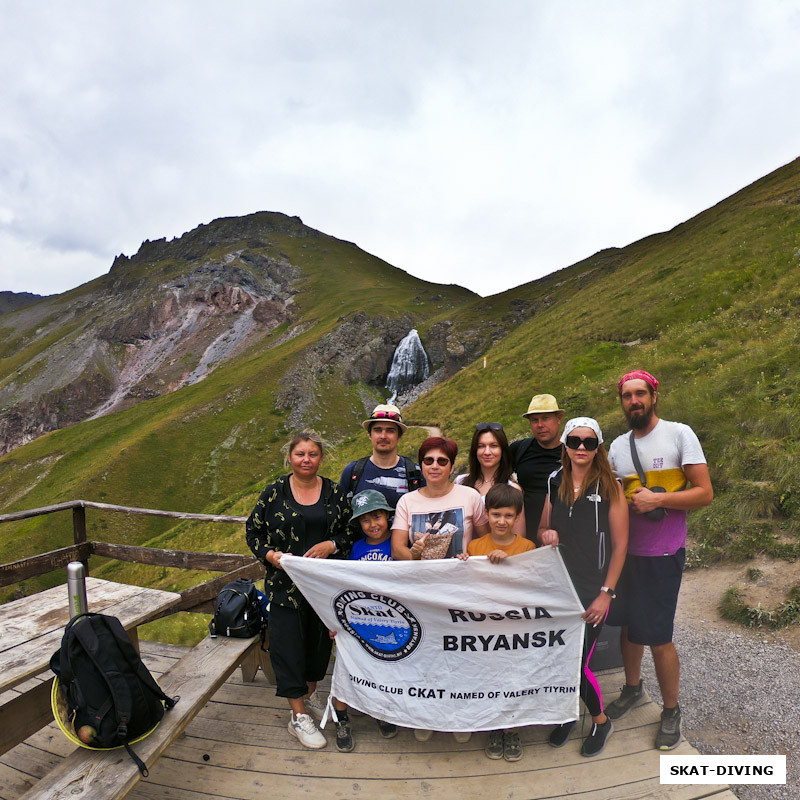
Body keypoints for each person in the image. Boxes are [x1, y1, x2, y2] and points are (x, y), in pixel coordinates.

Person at [604, 370, 713, 751]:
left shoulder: (679, 434)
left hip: (663, 552)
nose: (634, 401)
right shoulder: (616, 447)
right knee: (627, 627)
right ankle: (633, 688)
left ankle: (671, 710)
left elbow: (704, 493)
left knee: (659, 635)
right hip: (624, 553)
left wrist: (659, 499)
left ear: (654, 396)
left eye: (640, 394)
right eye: (627, 396)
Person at [245, 431, 354, 750]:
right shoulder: (274, 492)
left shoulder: (334, 492)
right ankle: (298, 717)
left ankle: (309, 696)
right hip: (284, 590)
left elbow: (350, 532)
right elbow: (253, 531)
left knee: (318, 651)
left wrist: (331, 544)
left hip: (323, 590)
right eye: (300, 454)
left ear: (321, 458)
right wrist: (270, 556)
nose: (306, 460)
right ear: (290, 457)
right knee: (288, 650)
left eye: (313, 454)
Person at [538, 417, 628, 757]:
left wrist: (606, 593)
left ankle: (601, 720)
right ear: (564, 444)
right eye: (574, 441)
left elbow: (621, 545)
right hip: (559, 583)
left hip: (594, 586)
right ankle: (567, 714)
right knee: (558, 655)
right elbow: (543, 528)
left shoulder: (611, 485)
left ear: (598, 448)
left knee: (578, 662)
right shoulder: (554, 481)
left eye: (589, 443)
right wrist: (546, 534)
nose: (581, 448)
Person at [391, 436, 489, 742]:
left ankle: (461, 718)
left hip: (462, 591)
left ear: (451, 466)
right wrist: (418, 554)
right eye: (428, 460)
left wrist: (471, 556)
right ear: (420, 465)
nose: (434, 466)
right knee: (426, 655)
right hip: (421, 592)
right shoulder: (408, 501)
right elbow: (397, 549)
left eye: (442, 461)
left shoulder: (470, 496)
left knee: (461, 656)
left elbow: (486, 540)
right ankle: (427, 715)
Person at [461, 483, 533, 762]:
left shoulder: (527, 547)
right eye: (495, 515)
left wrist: (510, 564)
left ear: (517, 518)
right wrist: (463, 563)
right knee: (489, 681)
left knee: (514, 681)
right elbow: (469, 586)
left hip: (514, 631)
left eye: (508, 516)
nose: (501, 521)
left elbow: (531, 587)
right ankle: (494, 726)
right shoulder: (475, 546)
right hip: (484, 630)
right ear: (486, 515)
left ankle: (512, 729)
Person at [330, 489, 397, 752]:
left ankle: (379, 710)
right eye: (365, 520)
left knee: (381, 670)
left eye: (377, 516)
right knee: (346, 669)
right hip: (359, 622)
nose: (373, 524)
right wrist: (334, 620)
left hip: (389, 622)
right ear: (358, 524)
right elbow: (345, 588)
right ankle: (341, 719)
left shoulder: (398, 544)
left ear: (388, 516)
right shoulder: (356, 548)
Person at [339, 404, 423, 508]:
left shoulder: (416, 473)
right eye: (378, 430)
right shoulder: (352, 471)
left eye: (390, 430)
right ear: (370, 435)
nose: (383, 436)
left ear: (399, 436)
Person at [455, 422, 526, 537]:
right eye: (481, 446)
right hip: (463, 553)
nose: (487, 452)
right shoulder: (460, 483)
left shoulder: (512, 488)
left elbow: (519, 536)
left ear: (502, 450)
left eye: (493, 446)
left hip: (499, 553)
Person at [510, 394, 565, 541]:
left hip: (560, 538)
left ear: (559, 418)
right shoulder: (520, 449)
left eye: (545, 418)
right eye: (534, 420)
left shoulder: (573, 451)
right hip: (522, 537)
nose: (540, 425)